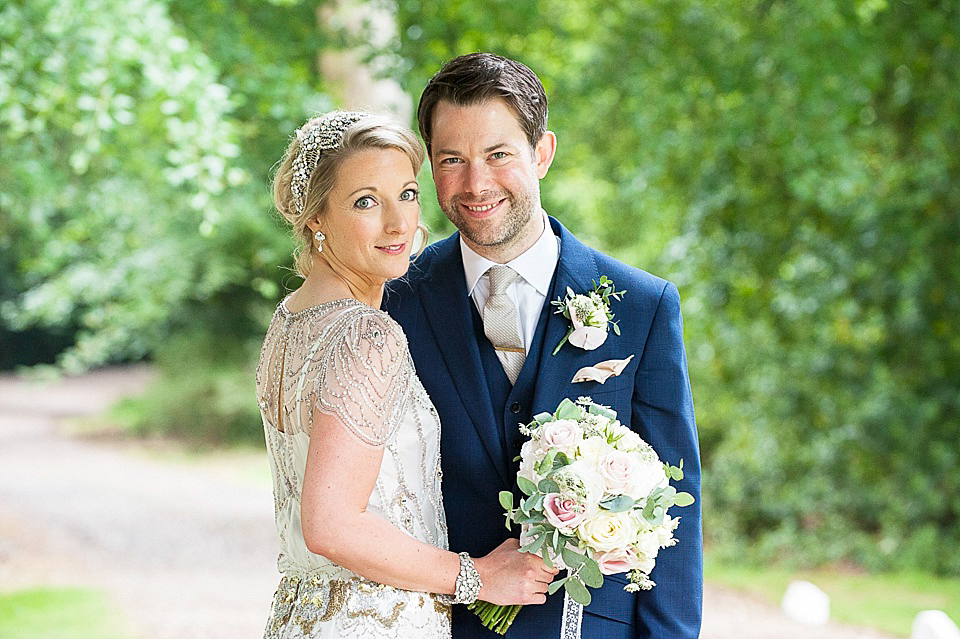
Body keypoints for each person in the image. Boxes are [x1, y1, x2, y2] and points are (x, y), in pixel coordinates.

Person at [383, 54, 703, 638]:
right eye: (452, 159)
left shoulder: (642, 306)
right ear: (430, 167)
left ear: (543, 153)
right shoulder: (395, 303)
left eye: (498, 154)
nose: (475, 183)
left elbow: (675, 499)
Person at [256, 110, 557, 639]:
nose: (399, 223)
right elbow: (330, 523)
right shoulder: (368, 334)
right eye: (366, 202)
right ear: (316, 218)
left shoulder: (291, 319)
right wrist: (478, 577)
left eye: (408, 193)